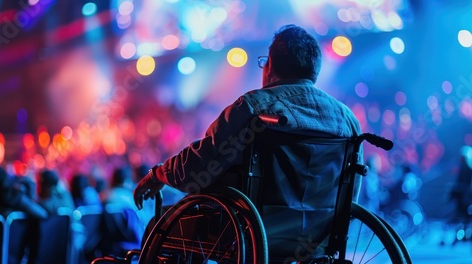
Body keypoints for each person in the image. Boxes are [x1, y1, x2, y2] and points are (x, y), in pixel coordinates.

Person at [133, 24, 361, 209]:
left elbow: (200, 166)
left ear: (269, 66)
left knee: (162, 224)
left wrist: (159, 174)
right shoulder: (347, 120)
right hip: (318, 233)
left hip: (253, 227)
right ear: (315, 69)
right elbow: (352, 187)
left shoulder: (254, 107)